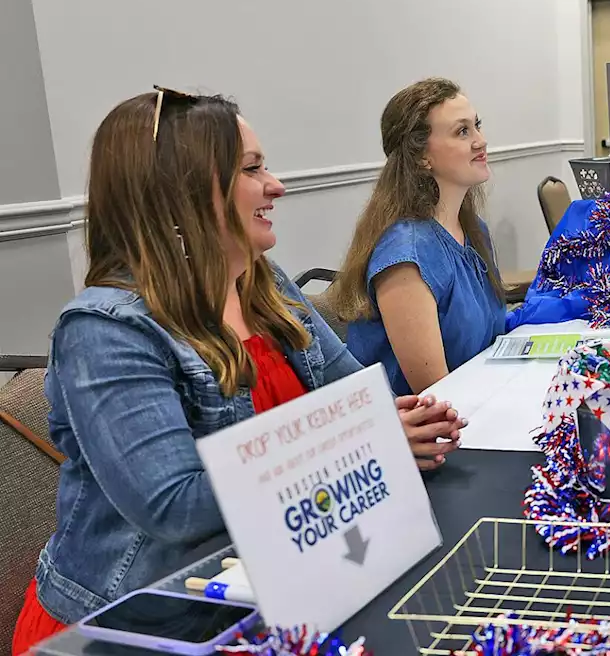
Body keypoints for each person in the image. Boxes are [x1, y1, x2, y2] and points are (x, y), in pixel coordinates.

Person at [11, 89, 464, 655]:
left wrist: (397, 424)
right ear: (179, 194)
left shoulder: (264, 282)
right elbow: (175, 506)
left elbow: (357, 398)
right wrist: (365, 440)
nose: (277, 186)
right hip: (143, 628)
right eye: (252, 170)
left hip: (283, 582)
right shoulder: (105, 329)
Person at [334, 78, 506, 397]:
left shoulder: (474, 230)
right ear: (421, 157)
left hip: (480, 403)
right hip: (425, 436)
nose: (481, 141)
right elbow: (436, 395)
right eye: (462, 131)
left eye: (477, 126)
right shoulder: (406, 255)